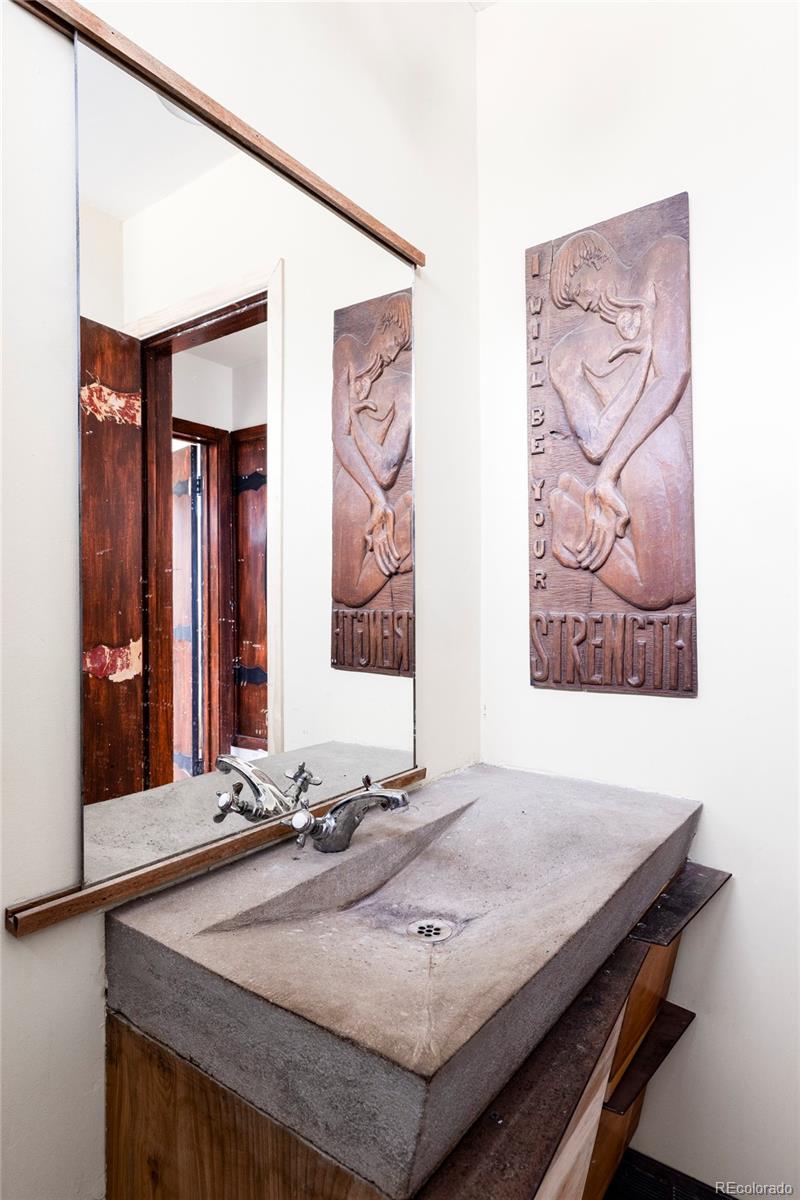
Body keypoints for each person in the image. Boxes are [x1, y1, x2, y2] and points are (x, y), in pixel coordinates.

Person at [548, 228, 695, 610]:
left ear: (591, 261)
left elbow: (676, 372)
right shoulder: (569, 353)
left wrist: (605, 475)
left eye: (580, 290)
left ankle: (575, 502)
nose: (584, 305)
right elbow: (595, 443)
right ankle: (570, 518)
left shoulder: (665, 256)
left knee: (685, 586)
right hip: (633, 463)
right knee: (656, 591)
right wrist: (643, 365)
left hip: (663, 445)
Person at [332, 293, 413, 608]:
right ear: (387, 324)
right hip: (347, 488)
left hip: (366, 490)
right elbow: (339, 438)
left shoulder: (404, 388)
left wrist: (355, 422)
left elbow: (386, 469)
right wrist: (378, 498)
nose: (395, 353)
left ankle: (409, 523)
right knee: (341, 591)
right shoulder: (347, 350)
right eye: (396, 340)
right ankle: (406, 518)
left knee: (350, 593)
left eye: (402, 346)